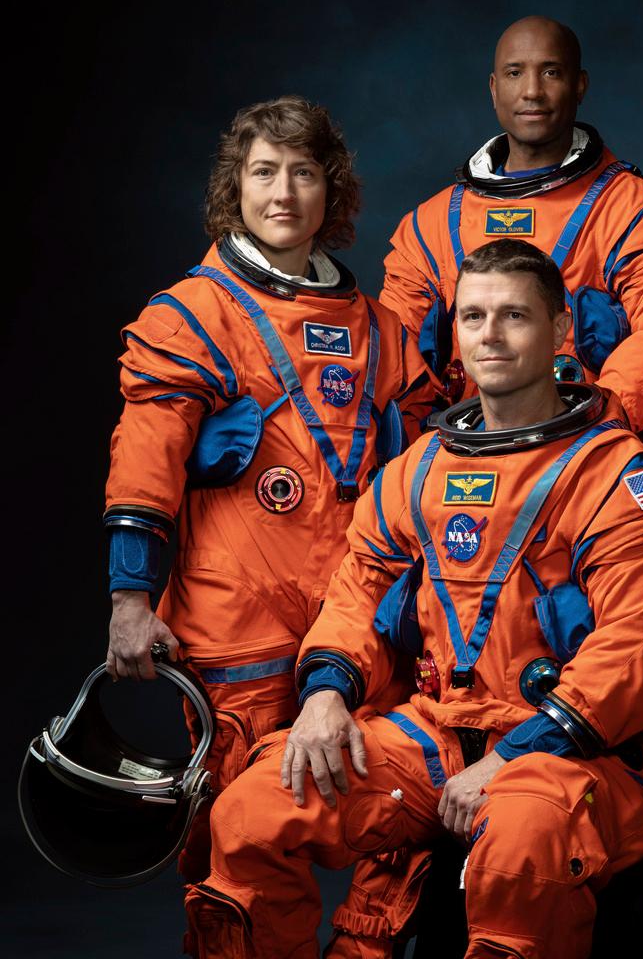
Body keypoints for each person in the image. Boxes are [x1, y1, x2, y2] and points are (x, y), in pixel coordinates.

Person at [184, 239, 643, 959]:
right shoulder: (418, 470)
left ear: (558, 333)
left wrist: (517, 751)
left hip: (583, 749)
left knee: (518, 846)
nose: (489, 335)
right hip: (438, 733)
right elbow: (358, 592)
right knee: (250, 810)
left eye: (514, 316)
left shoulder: (616, 476)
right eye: (474, 316)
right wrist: (328, 692)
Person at [103, 96, 435, 884]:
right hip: (238, 626)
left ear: (333, 190)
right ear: (236, 188)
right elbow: (144, 460)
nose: (283, 192)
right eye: (263, 173)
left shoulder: (382, 332)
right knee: (238, 846)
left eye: (303, 172)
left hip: (363, 623)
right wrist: (128, 598)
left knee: (390, 826)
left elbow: (427, 483)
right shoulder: (192, 315)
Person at [379, 14, 643, 431]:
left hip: (582, 455)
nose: (532, 91)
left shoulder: (634, 213)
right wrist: (426, 449)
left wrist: (589, 433)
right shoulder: (431, 225)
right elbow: (394, 352)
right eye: (515, 73)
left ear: (579, 85)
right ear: (494, 89)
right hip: (458, 457)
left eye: (551, 72)